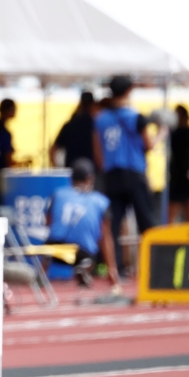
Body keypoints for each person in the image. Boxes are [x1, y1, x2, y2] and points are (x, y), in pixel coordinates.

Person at [93, 76, 166, 276]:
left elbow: (98, 154)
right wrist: (162, 132)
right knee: (147, 221)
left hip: (111, 175)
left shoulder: (100, 119)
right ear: (129, 90)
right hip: (134, 174)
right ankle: (155, 269)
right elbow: (149, 145)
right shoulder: (135, 116)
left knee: (113, 224)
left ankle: (113, 269)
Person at [46, 158, 121, 289]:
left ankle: (42, 272)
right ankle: (86, 267)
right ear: (91, 179)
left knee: (50, 243)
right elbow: (105, 237)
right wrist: (112, 269)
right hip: (81, 253)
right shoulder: (101, 201)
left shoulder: (58, 194)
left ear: (71, 179)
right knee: (93, 249)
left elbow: (48, 223)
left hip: (54, 250)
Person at [49, 92, 99, 170]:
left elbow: (53, 149)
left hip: (72, 170)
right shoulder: (95, 125)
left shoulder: (69, 125)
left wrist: (56, 168)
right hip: (91, 170)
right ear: (93, 105)